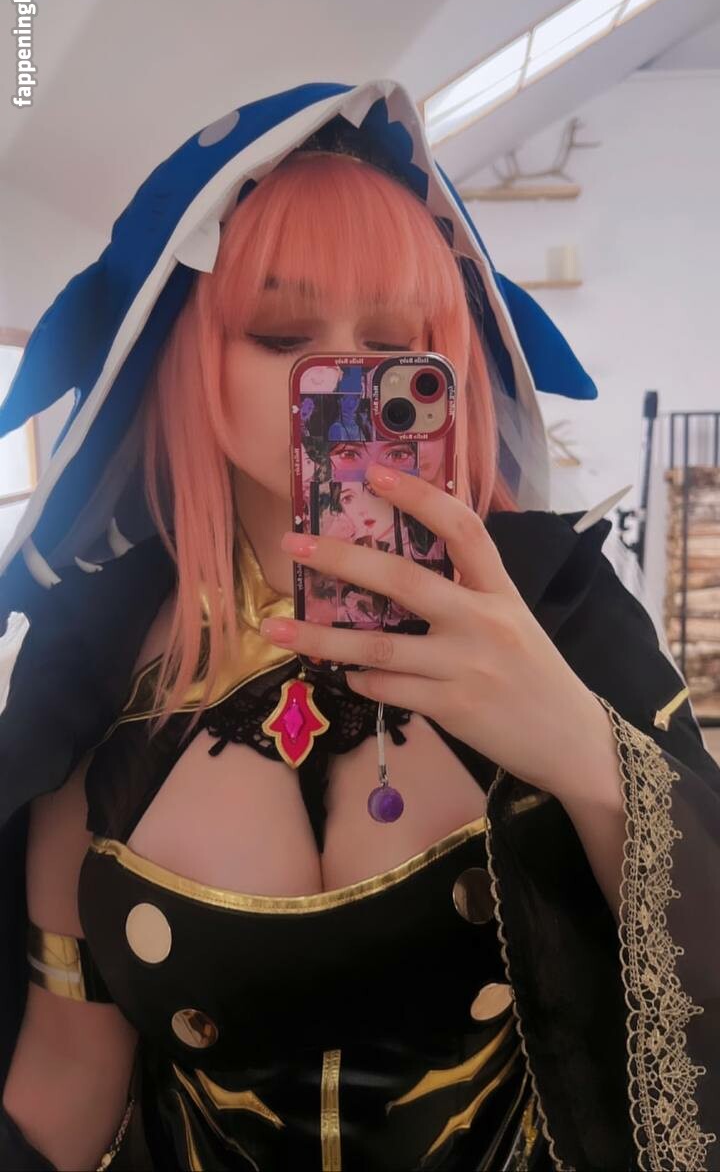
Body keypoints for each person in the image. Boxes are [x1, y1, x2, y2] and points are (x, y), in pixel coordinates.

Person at [0, 81, 718, 1172]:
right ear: (190, 356)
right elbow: (65, 1079)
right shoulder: (90, 665)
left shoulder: (558, 613)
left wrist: (584, 750)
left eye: (393, 343)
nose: (334, 377)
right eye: (281, 332)